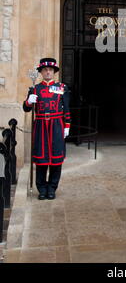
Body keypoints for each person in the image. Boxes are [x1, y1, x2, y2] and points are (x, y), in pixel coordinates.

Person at [23, 58, 71, 200]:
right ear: (41, 72)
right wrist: (29, 101)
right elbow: (26, 108)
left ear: (54, 72)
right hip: (41, 126)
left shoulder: (62, 88)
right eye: (45, 70)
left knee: (56, 159)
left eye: (50, 70)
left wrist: (67, 125)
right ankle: (42, 188)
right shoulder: (35, 89)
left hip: (57, 125)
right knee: (41, 159)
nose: (48, 72)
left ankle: (52, 188)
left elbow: (67, 109)